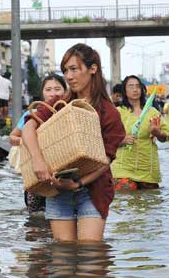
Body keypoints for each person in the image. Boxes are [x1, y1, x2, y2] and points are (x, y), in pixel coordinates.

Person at [21, 43, 126, 242]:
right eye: (65, 70)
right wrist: (37, 160)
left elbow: (105, 160)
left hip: (93, 192)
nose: (68, 76)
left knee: (91, 257)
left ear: (93, 68)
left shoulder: (108, 112)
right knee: (63, 259)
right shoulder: (58, 104)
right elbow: (28, 128)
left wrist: (78, 183)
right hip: (56, 190)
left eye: (74, 69)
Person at [9, 74, 67, 214]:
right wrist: (29, 141)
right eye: (48, 89)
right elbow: (12, 137)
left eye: (57, 89)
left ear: (65, 91)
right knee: (36, 221)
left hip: (62, 176)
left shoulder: (68, 113)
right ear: (42, 93)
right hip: (36, 176)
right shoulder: (32, 114)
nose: (53, 93)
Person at [111, 75, 168, 190]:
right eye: (131, 86)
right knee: (125, 191)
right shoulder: (118, 112)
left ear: (142, 90)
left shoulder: (153, 112)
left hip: (147, 166)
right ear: (124, 91)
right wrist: (122, 140)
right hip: (123, 166)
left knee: (150, 201)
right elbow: (106, 138)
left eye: (138, 86)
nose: (135, 89)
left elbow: (165, 137)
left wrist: (157, 132)